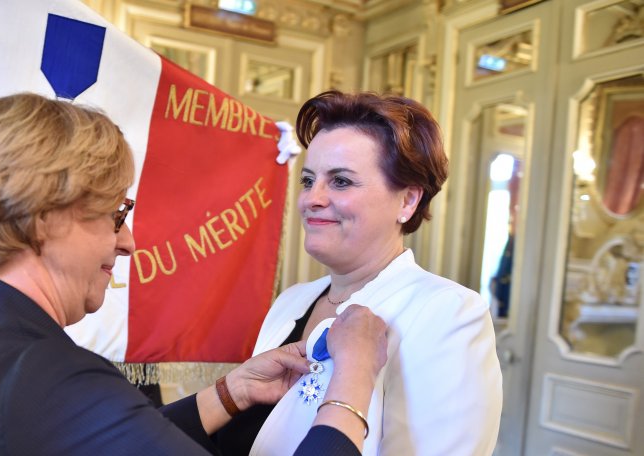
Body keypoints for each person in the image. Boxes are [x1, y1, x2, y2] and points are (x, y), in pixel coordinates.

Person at [0, 93, 388, 455]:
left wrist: (230, 392)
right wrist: (352, 381)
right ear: (44, 217)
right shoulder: (42, 371)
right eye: (114, 214)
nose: (128, 241)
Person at [213, 91, 502, 455]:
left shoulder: (448, 313)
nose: (311, 199)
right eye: (307, 180)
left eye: (341, 181)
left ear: (407, 201)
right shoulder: (292, 301)